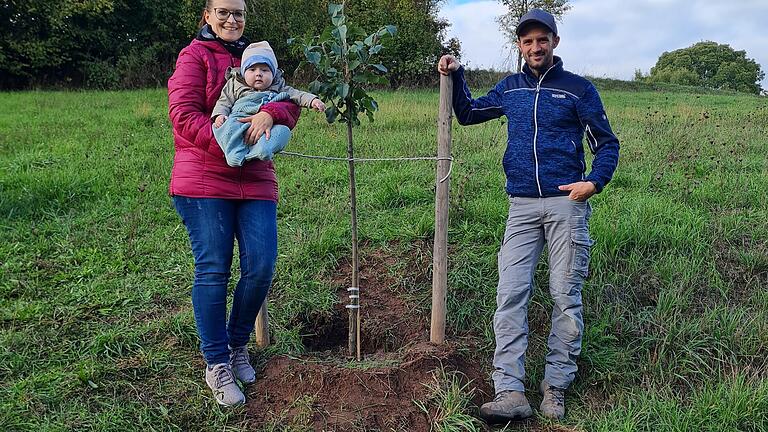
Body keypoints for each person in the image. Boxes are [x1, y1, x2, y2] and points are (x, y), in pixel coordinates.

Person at [438, 8, 619, 423]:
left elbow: (606, 143)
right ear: (519, 46)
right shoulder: (511, 88)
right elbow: (467, 114)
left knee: (564, 297)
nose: (535, 47)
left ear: (555, 42)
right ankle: (510, 390)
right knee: (510, 295)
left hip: (565, 205)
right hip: (520, 206)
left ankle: (555, 387)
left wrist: (594, 182)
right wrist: (456, 73)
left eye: (542, 40)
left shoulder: (578, 90)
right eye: (527, 41)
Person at [167, 0, 301, 407]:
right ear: (207, 15)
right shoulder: (194, 57)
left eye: (238, 13)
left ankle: (237, 344)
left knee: (261, 266)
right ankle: (217, 362)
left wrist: (271, 115)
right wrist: (232, 142)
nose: (231, 19)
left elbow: (288, 101)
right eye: (223, 11)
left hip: (256, 178)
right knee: (214, 269)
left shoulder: (255, 56)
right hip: (204, 176)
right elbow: (182, 114)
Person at [212, 41, 325, 166]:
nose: (258, 73)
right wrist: (219, 115)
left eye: (265, 70)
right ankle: (234, 153)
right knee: (226, 127)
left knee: (283, 131)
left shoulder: (278, 85)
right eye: (252, 69)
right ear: (244, 72)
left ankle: (262, 150)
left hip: (266, 127)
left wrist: (313, 100)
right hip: (240, 118)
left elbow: (296, 94)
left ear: (273, 74)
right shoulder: (235, 83)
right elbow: (224, 101)